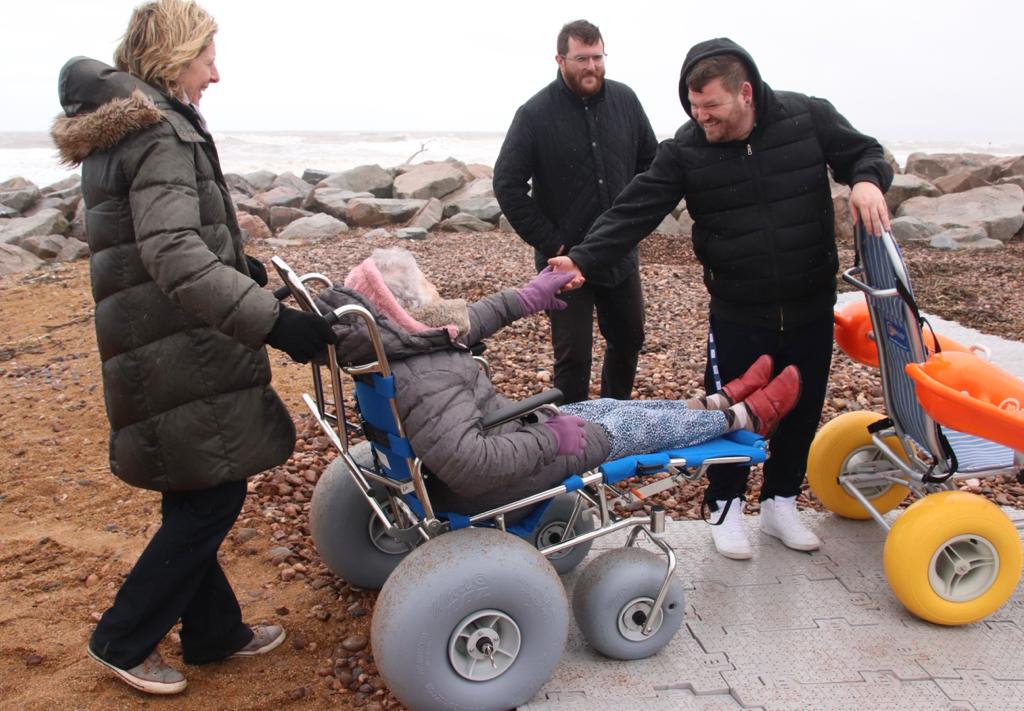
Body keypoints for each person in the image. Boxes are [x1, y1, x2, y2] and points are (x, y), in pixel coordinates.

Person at [51, 0, 336, 695]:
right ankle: (122, 636)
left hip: (153, 339)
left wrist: (245, 267)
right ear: (178, 56)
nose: (216, 72)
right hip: (179, 344)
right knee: (213, 491)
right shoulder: (159, 134)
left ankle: (214, 631)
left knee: (195, 485)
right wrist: (273, 321)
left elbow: (168, 235)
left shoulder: (127, 127)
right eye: (208, 56)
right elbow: (173, 252)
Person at [549, 38, 894, 560]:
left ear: (746, 94)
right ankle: (725, 507)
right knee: (730, 411)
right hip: (738, 308)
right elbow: (634, 210)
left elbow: (864, 152)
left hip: (809, 300)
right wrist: (583, 259)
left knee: (800, 407)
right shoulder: (687, 148)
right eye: (693, 105)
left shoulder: (807, 117)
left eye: (711, 106)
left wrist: (868, 182)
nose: (700, 116)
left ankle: (780, 503)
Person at [317, 248, 801, 516]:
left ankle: (714, 403)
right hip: (490, 478)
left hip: (506, 431)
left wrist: (531, 296)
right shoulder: (427, 372)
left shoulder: (400, 341)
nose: (439, 293)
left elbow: (466, 318)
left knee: (611, 405)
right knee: (621, 430)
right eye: (428, 288)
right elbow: (469, 467)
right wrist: (549, 437)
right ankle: (746, 417)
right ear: (407, 306)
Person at [493, 19, 658, 404]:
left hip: (617, 254)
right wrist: (553, 242)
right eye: (581, 58)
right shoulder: (534, 114)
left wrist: (632, 222)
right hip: (563, 263)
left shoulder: (626, 101)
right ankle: (571, 445)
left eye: (598, 57)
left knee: (629, 340)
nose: (591, 67)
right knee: (573, 359)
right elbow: (507, 184)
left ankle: (616, 420)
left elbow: (651, 164)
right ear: (560, 59)